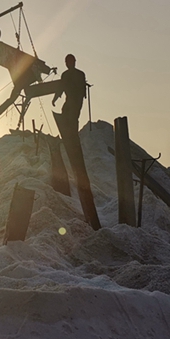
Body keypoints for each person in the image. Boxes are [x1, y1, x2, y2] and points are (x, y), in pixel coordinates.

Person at [50, 54, 101, 230]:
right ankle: (71, 131)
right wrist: (57, 97)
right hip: (74, 102)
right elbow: (64, 88)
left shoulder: (75, 74)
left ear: (71, 62)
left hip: (74, 102)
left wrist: (58, 97)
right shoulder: (74, 74)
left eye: (69, 62)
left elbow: (69, 89)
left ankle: (71, 132)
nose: (68, 64)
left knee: (70, 116)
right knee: (69, 115)